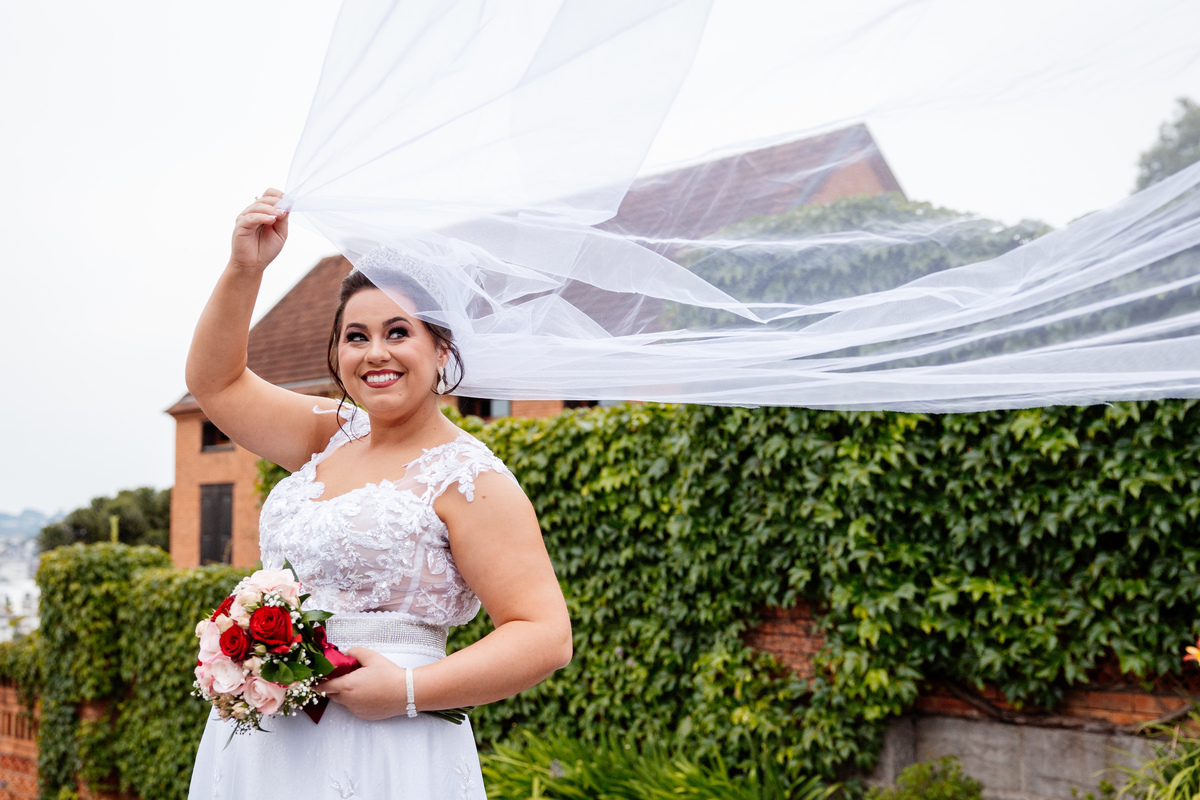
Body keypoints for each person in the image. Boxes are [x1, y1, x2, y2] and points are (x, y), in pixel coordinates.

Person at [186, 188, 572, 799]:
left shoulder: (471, 478)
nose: (376, 354)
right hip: (269, 738)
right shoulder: (329, 434)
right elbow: (216, 381)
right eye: (356, 337)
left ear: (442, 349)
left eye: (398, 332)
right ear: (338, 352)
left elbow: (545, 635)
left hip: (388, 741)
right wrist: (245, 269)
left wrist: (408, 692)